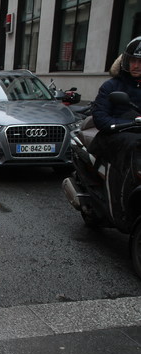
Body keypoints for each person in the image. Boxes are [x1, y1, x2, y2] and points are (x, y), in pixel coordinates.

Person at [91, 36, 141, 226]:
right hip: (115, 138)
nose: (136, 65)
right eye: (133, 61)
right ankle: (119, 209)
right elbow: (101, 118)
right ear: (125, 61)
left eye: (140, 61)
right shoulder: (112, 86)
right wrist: (126, 123)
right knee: (130, 146)